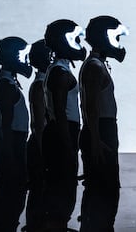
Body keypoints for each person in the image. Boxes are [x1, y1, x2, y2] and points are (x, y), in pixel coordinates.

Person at [78, 15, 129, 231]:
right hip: (100, 133)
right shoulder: (94, 67)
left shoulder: (95, 65)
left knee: (101, 191)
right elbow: (91, 107)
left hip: (100, 132)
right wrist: (97, 141)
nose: (119, 43)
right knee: (105, 192)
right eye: (116, 37)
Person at [42, 19, 86, 230]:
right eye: (74, 38)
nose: (79, 43)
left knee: (62, 187)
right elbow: (59, 111)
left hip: (61, 131)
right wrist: (68, 145)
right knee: (63, 188)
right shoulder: (59, 73)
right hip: (62, 132)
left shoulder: (57, 69)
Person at [0, 37, 32, 231]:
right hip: (11, 141)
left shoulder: (7, 82)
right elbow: (5, 125)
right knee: (9, 187)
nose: (26, 60)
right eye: (22, 55)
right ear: (12, 56)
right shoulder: (6, 85)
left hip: (11, 140)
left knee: (7, 186)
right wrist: (11, 155)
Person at [25, 39, 51, 231]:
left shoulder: (40, 84)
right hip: (40, 146)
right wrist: (45, 153)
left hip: (40, 144)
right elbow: (39, 124)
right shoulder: (40, 85)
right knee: (39, 192)